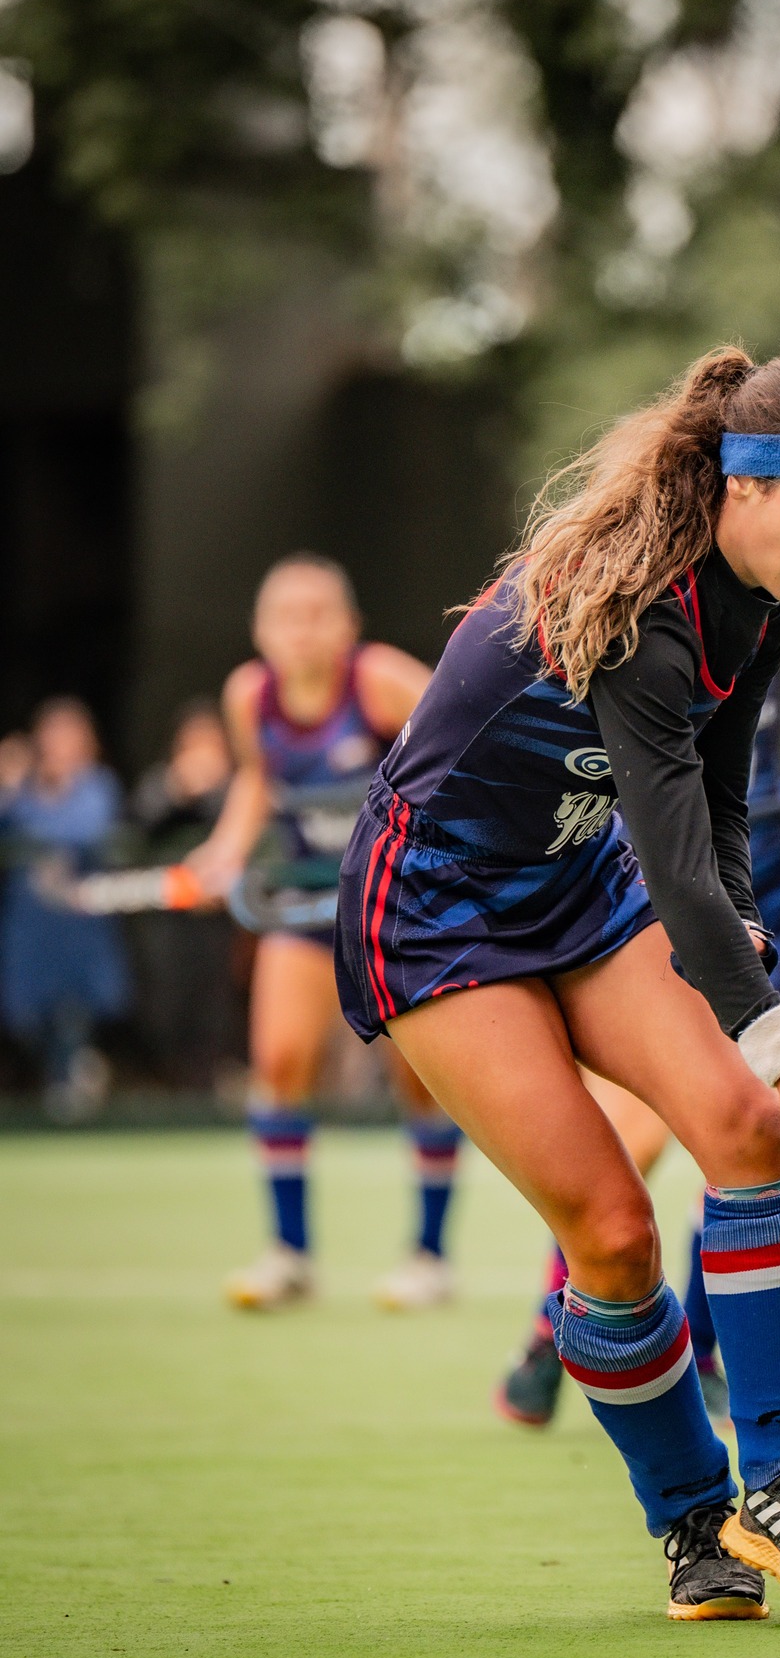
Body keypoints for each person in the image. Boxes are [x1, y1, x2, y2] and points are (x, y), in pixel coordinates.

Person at [335, 345, 780, 1622]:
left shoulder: (764, 594)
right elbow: (672, 858)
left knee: (749, 1135)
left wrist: (745, 935)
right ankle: (694, 1518)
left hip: (578, 880)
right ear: (741, 489)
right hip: (436, 912)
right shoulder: (640, 622)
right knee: (614, 1231)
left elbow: (722, 802)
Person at [496, 586, 780, 1429]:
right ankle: (554, 1331)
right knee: (628, 1141)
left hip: (768, 889)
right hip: (653, 884)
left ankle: (709, 1348)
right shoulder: (622, 591)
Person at [186, 557, 465, 1312]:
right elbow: (258, 778)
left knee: (423, 1079)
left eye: (318, 612)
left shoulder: (381, 680)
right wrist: (222, 854)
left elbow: (466, 746)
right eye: (286, 614)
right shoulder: (249, 696)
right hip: (308, 910)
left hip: (404, 914)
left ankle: (430, 1256)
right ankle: (289, 1254)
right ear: (260, 629)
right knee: (277, 1061)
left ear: (347, 625)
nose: (302, 628)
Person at [0, 699, 131, 1118]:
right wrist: (12, 789)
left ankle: (75, 1076)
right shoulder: (22, 788)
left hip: (79, 921)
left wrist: (30, 809)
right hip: (31, 921)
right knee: (26, 1011)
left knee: (78, 1007)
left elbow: (86, 831)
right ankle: (57, 1077)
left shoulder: (97, 786)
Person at [129, 700, 243, 1092]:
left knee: (214, 1009)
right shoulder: (161, 783)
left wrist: (213, 790)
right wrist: (178, 790)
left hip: (218, 916)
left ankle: (205, 1090)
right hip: (166, 917)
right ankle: (166, 1087)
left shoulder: (241, 788)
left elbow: (244, 831)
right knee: (165, 1006)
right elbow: (140, 824)